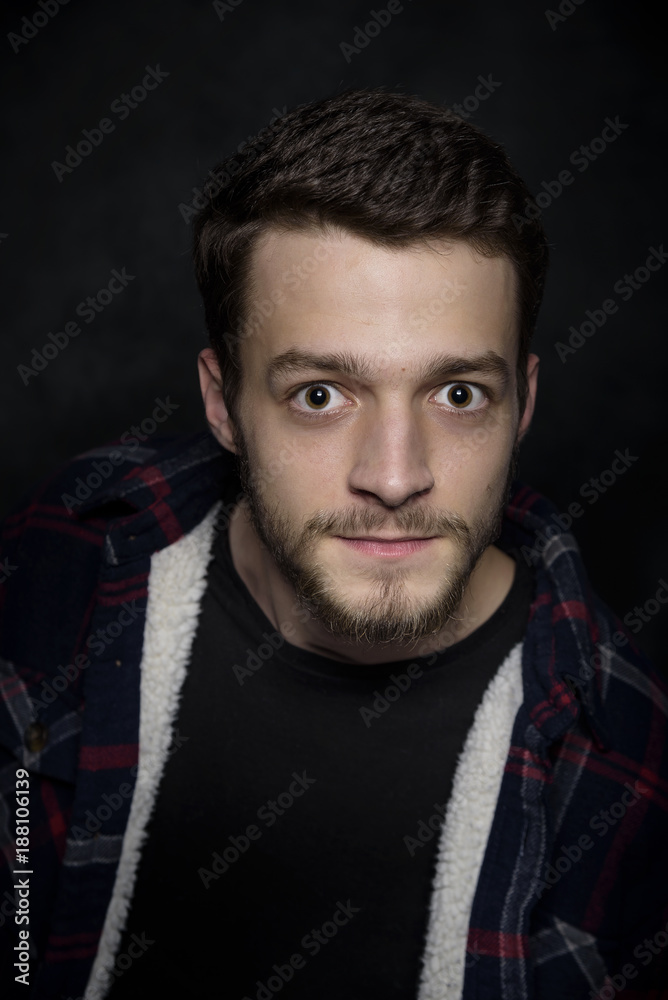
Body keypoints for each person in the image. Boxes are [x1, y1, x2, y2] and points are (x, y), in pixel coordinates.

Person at [1, 88, 666, 1000]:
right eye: (321, 394)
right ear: (222, 402)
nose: (394, 478)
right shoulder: (61, 557)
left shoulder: (625, 749)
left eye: (458, 394)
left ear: (526, 405)